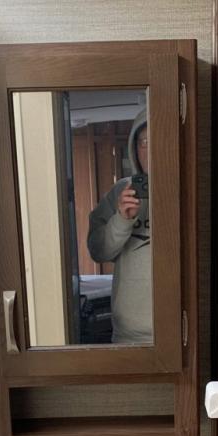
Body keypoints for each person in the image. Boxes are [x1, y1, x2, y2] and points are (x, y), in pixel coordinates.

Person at [87, 109, 151, 344]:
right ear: (134, 148)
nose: (149, 150)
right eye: (143, 142)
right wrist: (122, 220)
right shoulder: (120, 192)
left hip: (181, 329)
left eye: (156, 140)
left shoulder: (191, 188)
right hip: (129, 334)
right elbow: (98, 251)